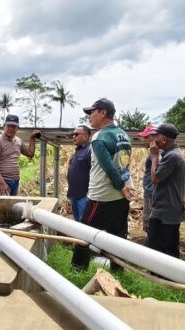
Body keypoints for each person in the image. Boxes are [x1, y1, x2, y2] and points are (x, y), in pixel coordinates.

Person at [71, 98, 134, 271]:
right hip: (121, 198)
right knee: (118, 236)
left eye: (92, 112)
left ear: (103, 113)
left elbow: (109, 167)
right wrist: (125, 188)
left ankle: (77, 269)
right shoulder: (123, 135)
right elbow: (125, 164)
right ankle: (117, 270)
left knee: (84, 234)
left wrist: (121, 185)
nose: (89, 117)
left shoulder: (99, 137)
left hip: (102, 196)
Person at [147, 123, 185, 258]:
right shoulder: (179, 154)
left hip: (164, 213)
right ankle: (170, 276)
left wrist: (154, 156)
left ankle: (157, 277)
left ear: (164, 139)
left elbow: (155, 178)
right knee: (170, 249)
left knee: (158, 251)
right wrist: (183, 200)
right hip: (172, 212)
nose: (153, 138)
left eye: (156, 135)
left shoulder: (171, 156)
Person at [0, 114, 39, 196]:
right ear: (4, 126)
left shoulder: (19, 141)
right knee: (4, 205)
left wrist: (32, 138)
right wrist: (2, 183)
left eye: (14, 126)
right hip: (3, 180)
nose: (11, 129)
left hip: (15, 181)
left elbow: (30, 154)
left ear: (17, 128)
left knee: (11, 206)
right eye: (9, 126)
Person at [66, 125, 92, 221]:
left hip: (84, 196)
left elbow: (94, 173)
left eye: (76, 134)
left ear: (85, 136)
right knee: (77, 223)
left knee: (84, 223)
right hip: (74, 195)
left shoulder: (90, 150)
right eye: (73, 134)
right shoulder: (78, 151)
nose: (73, 136)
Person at [138, 125, 158, 233]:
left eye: (146, 137)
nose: (144, 140)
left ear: (153, 137)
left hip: (152, 192)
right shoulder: (153, 153)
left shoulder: (156, 153)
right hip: (150, 191)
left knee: (151, 221)